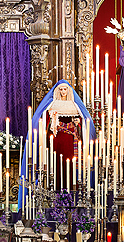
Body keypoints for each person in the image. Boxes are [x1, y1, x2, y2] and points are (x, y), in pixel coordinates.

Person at [18, 80, 96, 209]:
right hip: (55, 143)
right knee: (55, 169)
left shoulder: (75, 105)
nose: (63, 92)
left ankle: (74, 195)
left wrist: (78, 122)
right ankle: (52, 194)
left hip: (72, 143)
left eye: (65, 89)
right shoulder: (51, 104)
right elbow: (42, 122)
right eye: (60, 89)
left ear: (69, 91)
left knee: (72, 169)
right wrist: (52, 119)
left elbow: (85, 123)